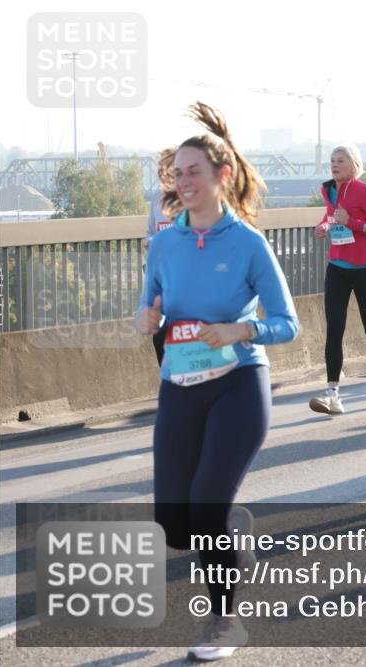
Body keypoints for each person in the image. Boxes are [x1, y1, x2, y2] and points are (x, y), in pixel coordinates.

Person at [136, 102, 300, 660]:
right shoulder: (163, 242)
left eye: (194, 173)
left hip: (239, 383)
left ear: (221, 176)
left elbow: (288, 324)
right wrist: (146, 319)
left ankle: (225, 623)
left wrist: (240, 329)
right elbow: (149, 303)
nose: (183, 183)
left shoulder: (249, 243)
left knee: (203, 507)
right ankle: (230, 528)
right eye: (176, 174)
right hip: (179, 386)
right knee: (175, 524)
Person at [309, 145, 366, 416]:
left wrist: (353, 222)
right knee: (334, 329)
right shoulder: (328, 190)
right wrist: (324, 226)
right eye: (332, 161)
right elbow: (331, 215)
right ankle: (333, 394)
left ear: (354, 165)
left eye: (341, 161)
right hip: (337, 267)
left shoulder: (364, 191)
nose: (334, 165)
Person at [145, 148, 176, 365]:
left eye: (165, 169)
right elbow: (150, 231)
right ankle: (170, 380)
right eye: (159, 169)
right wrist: (150, 241)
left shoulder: (190, 201)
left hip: (185, 277)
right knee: (159, 334)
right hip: (161, 277)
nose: (160, 173)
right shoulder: (156, 199)